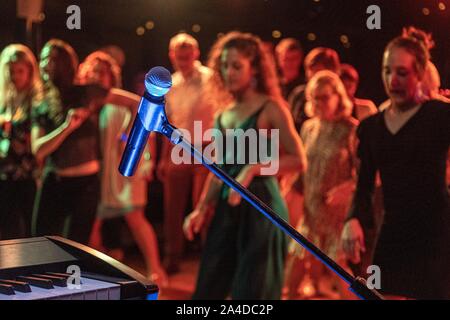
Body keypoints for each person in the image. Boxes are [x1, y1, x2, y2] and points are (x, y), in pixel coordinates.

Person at [183, 31, 306, 300]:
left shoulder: (271, 108)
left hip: (262, 207)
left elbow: (298, 160)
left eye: (237, 66)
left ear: (255, 70)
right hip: (228, 209)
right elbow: (218, 171)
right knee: (207, 289)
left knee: (253, 294)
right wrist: (201, 209)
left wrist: (252, 168)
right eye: (224, 66)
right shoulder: (222, 115)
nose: (229, 72)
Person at [342, 35, 450, 299]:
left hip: (437, 231)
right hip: (395, 230)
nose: (392, 81)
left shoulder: (440, 116)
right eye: (387, 71)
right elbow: (364, 184)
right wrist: (353, 219)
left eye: (402, 73)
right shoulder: (371, 128)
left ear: (421, 73)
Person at [31, 39, 140, 244]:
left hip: (86, 184)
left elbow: (137, 105)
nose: (46, 64)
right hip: (54, 181)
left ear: (67, 64)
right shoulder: (42, 102)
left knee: (75, 248)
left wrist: (126, 136)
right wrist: (66, 128)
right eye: (44, 58)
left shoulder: (88, 92)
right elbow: (38, 150)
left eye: (53, 59)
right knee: (41, 244)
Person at [78, 51, 168, 286]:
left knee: (135, 217)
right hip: (99, 173)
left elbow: (142, 108)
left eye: (103, 72)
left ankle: (156, 269)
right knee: (92, 223)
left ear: (111, 77)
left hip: (122, 169)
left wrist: (127, 135)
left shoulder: (113, 98)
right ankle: (101, 271)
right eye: (93, 72)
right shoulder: (85, 100)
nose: (97, 77)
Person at [285, 70, 358, 299]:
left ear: (338, 96)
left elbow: (367, 174)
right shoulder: (309, 128)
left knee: (340, 274)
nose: (318, 103)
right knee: (292, 274)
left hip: (337, 216)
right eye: (314, 98)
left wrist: (348, 188)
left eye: (324, 97)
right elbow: (305, 168)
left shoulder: (352, 129)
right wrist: (290, 190)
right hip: (311, 212)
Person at [157, 33, 216, 273]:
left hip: (206, 145)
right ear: (172, 56)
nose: (182, 60)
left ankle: (210, 256)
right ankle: (172, 257)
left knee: (203, 204)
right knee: (173, 206)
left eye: (186, 55)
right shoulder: (170, 82)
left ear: (196, 53)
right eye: (178, 56)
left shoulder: (211, 78)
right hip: (178, 146)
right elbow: (167, 121)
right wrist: (163, 157)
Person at [0, 44, 42, 240]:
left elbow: (35, 144)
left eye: (20, 71)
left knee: (26, 231)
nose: (15, 76)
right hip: (4, 174)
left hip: (26, 176)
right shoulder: (4, 99)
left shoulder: (36, 101)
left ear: (30, 71)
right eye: (11, 71)